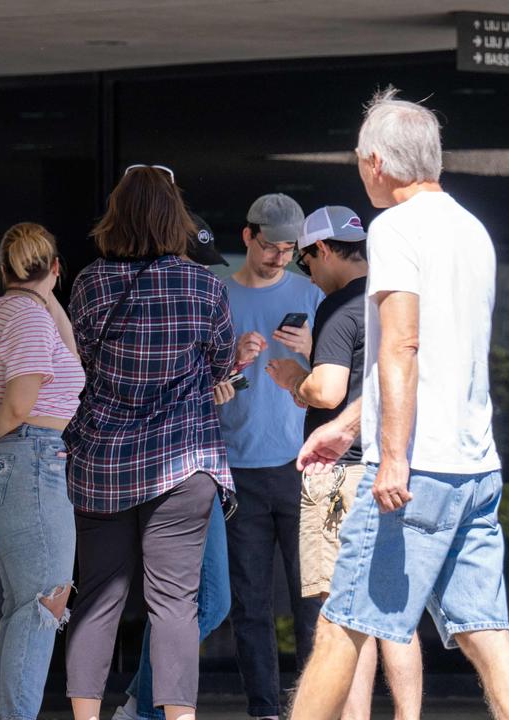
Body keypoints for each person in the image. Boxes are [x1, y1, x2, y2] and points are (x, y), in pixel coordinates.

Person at [290, 88, 509, 720]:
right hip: (474, 469)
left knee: (339, 628)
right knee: (489, 635)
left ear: (377, 161)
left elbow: (402, 343)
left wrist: (391, 456)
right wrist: (350, 426)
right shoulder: (472, 229)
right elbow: (436, 357)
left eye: (358, 159)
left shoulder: (394, 228)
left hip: (414, 472)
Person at [65, 165, 236, 720]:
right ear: (175, 221)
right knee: (175, 604)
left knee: (97, 599)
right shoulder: (205, 285)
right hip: (184, 463)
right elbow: (220, 366)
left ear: (117, 216)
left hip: (103, 465)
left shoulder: (91, 281)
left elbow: (77, 367)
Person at [266, 205, 423, 720]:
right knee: (394, 611)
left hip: (342, 476)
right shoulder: (392, 302)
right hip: (395, 470)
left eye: (306, 258)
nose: (307, 270)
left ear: (326, 250)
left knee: (343, 617)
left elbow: (329, 391)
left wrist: (294, 377)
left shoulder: (337, 307)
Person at [115, 212, 234, 720]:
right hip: (172, 467)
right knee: (190, 604)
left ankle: (139, 705)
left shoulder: (187, 296)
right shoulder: (146, 295)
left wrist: (217, 387)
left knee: (201, 603)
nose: (197, 271)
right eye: (189, 257)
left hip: (185, 466)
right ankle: (144, 709)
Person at [0, 222, 83, 720]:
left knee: (23, 606)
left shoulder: (7, 313)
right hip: (29, 458)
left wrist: (45, 293)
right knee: (45, 602)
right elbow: (18, 404)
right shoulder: (29, 320)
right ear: (56, 269)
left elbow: (68, 347)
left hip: (15, 463)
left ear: (3, 269)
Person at [215, 193, 324, 720]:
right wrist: (234, 361)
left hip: (303, 464)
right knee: (250, 602)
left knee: (312, 602)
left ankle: (311, 707)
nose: (281, 257)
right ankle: (264, 709)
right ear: (246, 237)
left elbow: (344, 378)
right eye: (272, 246)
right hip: (236, 466)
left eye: (290, 248)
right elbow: (200, 384)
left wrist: (309, 349)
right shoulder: (218, 295)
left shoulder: (312, 292)